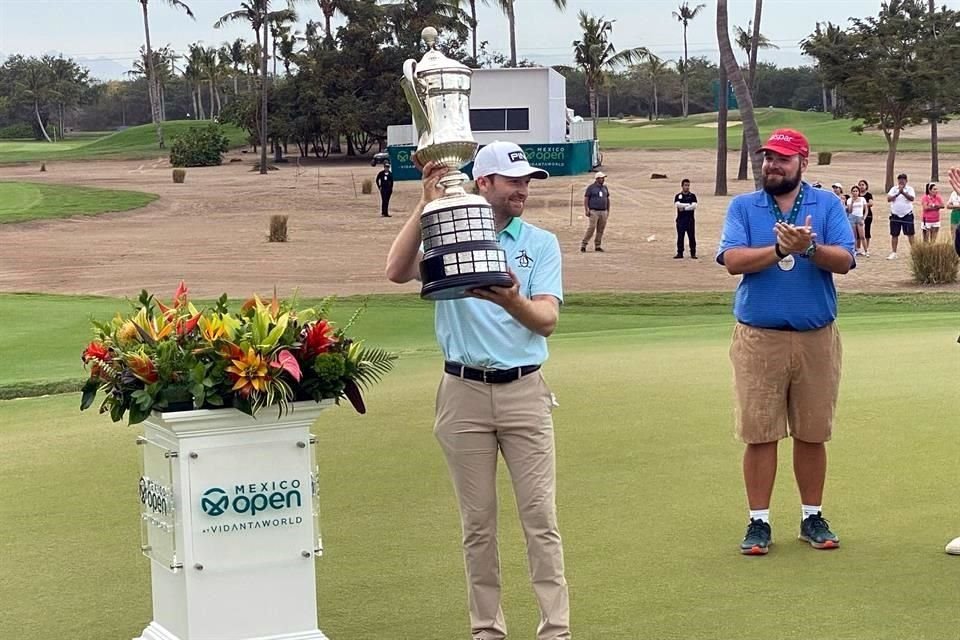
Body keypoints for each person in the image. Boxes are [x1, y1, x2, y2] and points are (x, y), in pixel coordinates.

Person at [385, 141, 570, 640]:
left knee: (540, 518)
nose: (523, 190)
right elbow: (396, 271)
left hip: (525, 391)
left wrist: (511, 300)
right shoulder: (445, 232)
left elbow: (547, 321)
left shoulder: (541, 243)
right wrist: (425, 202)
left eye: (527, 181)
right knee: (478, 524)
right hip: (462, 391)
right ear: (481, 183)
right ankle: (487, 629)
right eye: (513, 181)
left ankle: (555, 630)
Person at [715, 128, 855, 556]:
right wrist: (779, 249)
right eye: (768, 158)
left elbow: (846, 260)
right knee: (760, 433)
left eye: (782, 158)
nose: (772, 165)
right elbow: (733, 261)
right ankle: (759, 522)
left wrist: (809, 249)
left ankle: (812, 516)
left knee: (812, 433)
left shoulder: (827, 205)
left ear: (802, 163)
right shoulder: (744, 206)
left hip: (816, 338)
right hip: (760, 338)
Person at [886, 172, 916, 260]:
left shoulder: (910, 189)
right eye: (900, 180)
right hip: (895, 215)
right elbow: (889, 199)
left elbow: (912, 198)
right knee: (894, 234)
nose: (901, 181)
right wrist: (898, 193)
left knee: (910, 234)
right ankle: (894, 252)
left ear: (906, 180)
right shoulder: (893, 189)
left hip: (907, 214)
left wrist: (903, 192)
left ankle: (914, 252)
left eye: (903, 180)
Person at [581, 172, 610, 252]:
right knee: (592, 227)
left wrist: (608, 210)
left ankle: (598, 245)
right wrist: (586, 209)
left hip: (603, 211)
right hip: (594, 211)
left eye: (603, 178)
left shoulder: (605, 188)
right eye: (601, 178)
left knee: (601, 229)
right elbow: (586, 199)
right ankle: (584, 244)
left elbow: (607, 199)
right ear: (597, 179)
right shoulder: (591, 188)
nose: (603, 179)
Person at [674, 178, 698, 259]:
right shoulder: (678, 196)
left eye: (688, 185)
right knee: (680, 237)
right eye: (685, 185)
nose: (687, 187)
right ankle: (680, 253)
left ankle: (693, 253)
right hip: (681, 220)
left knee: (691, 237)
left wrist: (684, 208)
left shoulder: (692, 196)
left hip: (690, 220)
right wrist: (688, 205)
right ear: (682, 186)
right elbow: (677, 205)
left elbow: (694, 206)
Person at [846, 185, 868, 256]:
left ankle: (866, 250)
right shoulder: (849, 200)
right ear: (851, 192)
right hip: (852, 217)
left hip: (859, 217)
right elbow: (849, 211)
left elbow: (866, 209)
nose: (855, 193)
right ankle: (855, 250)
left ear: (858, 192)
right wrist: (852, 202)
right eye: (853, 191)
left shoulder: (862, 199)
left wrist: (864, 218)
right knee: (854, 236)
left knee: (862, 235)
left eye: (856, 191)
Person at [858, 179, 875, 256]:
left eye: (863, 185)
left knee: (867, 231)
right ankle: (858, 248)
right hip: (858, 215)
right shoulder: (857, 194)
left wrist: (863, 204)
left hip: (868, 215)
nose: (861, 186)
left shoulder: (868, 195)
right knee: (858, 233)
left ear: (866, 186)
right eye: (860, 185)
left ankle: (866, 248)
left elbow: (871, 203)